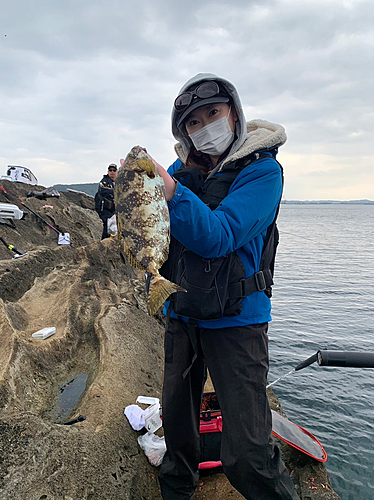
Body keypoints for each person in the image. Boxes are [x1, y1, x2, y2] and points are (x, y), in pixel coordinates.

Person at [153, 73, 300, 500]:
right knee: (177, 427)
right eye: (193, 123)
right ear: (184, 133)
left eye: (213, 114)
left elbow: (220, 236)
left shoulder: (263, 172)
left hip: (237, 323)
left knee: (249, 452)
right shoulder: (181, 172)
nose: (204, 127)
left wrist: (172, 194)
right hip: (181, 314)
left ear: (235, 113)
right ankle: (177, 490)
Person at [94, 163, 117, 239]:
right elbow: (104, 190)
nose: (112, 172)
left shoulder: (118, 182)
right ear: (108, 172)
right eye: (110, 170)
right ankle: (103, 242)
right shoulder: (104, 181)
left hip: (113, 209)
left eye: (114, 170)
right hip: (103, 208)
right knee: (105, 225)